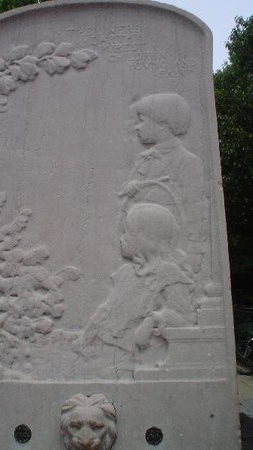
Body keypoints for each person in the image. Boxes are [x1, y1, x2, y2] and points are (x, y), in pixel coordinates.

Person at [82, 203, 197, 364]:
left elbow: (187, 319)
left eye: (129, 232)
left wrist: (153, 319)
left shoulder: (168, 274)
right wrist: (86, 338)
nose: (122, 238)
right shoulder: (125, 273)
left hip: (131, 358)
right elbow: (106, 310)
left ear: (150, 239)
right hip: (101, 350)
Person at [119, 93, 206, 274]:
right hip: (138, 251)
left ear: (161, 125)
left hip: (168, 254)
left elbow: (195, 215)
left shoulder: (188, 162)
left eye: (142, 121)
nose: (137, 127)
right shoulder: (144, 159)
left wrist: (191, 256)